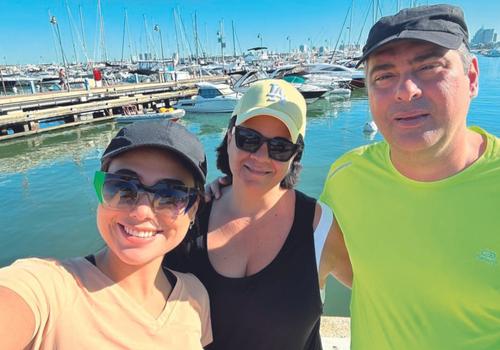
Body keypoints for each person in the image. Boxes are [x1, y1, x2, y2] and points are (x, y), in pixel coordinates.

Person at [320, 4, 500, 350]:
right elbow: (336, 260)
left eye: (429, 67)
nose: (406, 90)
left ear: (472, 78)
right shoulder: (346, 178)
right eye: (384, 76)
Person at [166, 79, 350, 350]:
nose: (261, 156)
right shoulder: (188, 216)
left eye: (280, 147)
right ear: (229, 137)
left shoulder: (319, 227)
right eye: (248, 139)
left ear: (295, 155)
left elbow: (380, 293)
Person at [0, 121, 212, 349]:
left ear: (193, 209)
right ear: (101, 189)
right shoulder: (47, 287)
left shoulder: (193, 295)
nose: (141, 212)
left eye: (170, 195)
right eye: (122, 188)